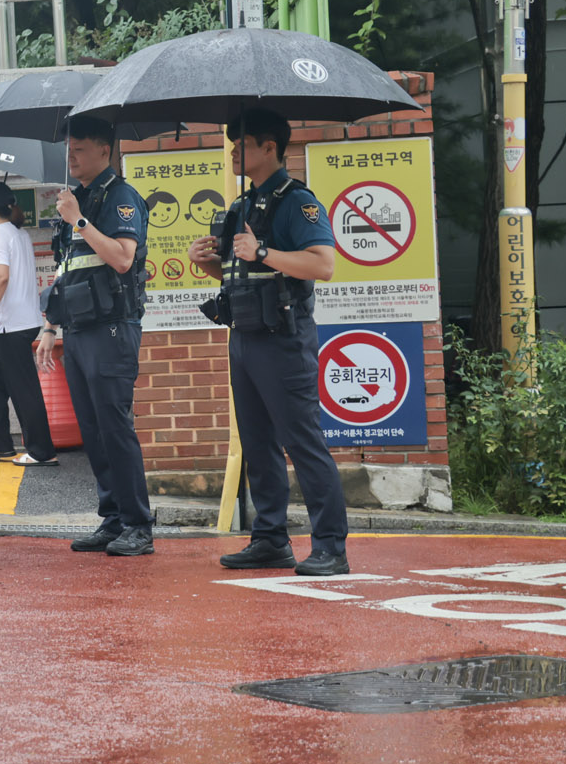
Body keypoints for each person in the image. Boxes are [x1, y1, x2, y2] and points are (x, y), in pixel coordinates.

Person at [189, 107, 351, 577]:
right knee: (258, 443)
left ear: (270, 148)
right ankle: (270, 539)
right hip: (244, 335)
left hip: (284, 338)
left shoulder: (296, 202)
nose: (234, 150)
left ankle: (330, 546)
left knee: (301, 440)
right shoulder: (241, 206)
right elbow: (241, 274)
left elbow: (322, 264)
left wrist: (262, 251)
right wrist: (208, 263)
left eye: (242, 142)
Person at [39, 116, 155, 557]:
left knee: (115, 427)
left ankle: (138, 524)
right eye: (70, 149)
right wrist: (51, 325)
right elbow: (67, 272)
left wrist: (81, 220)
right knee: (93, 429)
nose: (71, 157)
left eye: (80, 149)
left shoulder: (119, 198)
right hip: (80, 330)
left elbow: (123, 259)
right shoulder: (79, 199)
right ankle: (113, 518)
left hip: (112, 329)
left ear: (105, 151)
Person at [0, 181, 55, 468]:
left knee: (23, 388)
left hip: (11, 325)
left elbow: (1, 278)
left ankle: (42, 451)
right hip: (18, 323)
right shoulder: (18, 234)